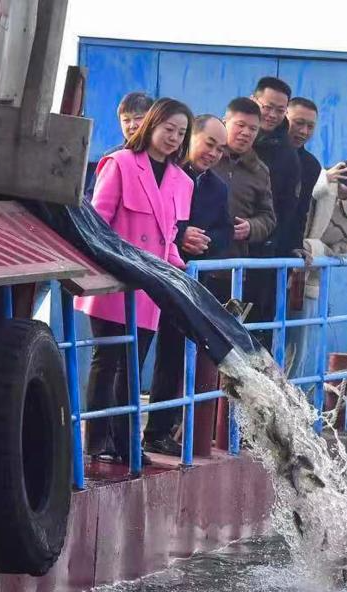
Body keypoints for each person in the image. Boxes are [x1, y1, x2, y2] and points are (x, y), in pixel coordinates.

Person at [76, 98, 195, 466]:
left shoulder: (182, 181)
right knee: (107, 359)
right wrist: (107, 265)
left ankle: (127, 442)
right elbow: (97, 221)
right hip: (115, 278)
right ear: (152, 125)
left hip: (150, 284)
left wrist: (179, 270)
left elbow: (169, 237)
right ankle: (97, 440)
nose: (174, 138)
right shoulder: (121, 163)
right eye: (168, 129)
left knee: (133, 363)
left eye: (181, 133)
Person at [143, 114, 232, 456]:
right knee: (127, 353)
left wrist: (203, 241)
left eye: (220, 149)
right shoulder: (165, 171)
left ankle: (158, 430)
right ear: (191, 137)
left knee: (173, 354)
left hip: (188, 280)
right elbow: (154, 216)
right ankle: (110, 432)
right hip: (151, 270)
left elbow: (224, 232)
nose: (213, 153)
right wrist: (181, 235)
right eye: (209, 144)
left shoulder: (217, 188)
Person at [287, 154, 347, 382]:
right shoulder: (318, 181)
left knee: (297, 346)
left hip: (306, 283)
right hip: (281, 268)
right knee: (267, 335)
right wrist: (325, 179)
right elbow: (295, 199)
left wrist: (314, 248)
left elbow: (340, 250)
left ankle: (285, 395)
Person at [247, 77, 301, 348]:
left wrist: (288, 249)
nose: (272, 115)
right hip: (221, 252)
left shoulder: (288, 155)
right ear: (254, 100)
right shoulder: (228, 139)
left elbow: (290, 209)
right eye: (267, 107)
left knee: (257, 335)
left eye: (280, 110)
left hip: (265, 258)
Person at [214, 97, 276, 281]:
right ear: (224, 122)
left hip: (233, 268)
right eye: (240, 125)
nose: (246, 133)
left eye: (253, 129)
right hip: (194, 261)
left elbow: (268, 217)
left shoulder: (259, 170)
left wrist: (251, 227)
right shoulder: (205, 157)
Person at [83, 92, 155, 200]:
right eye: (126, 120)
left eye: (138, 118)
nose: (132, 125)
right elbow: (92, 196)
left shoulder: (159, 155)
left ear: (153, 119)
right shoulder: (111, 157)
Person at [286, 97, 322, 252]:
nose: (304, 131)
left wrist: (296, 247)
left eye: (310, 126)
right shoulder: (260, 152)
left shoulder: (311, 166)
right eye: (298, 123)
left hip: (283, 252)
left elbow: (301, 213)